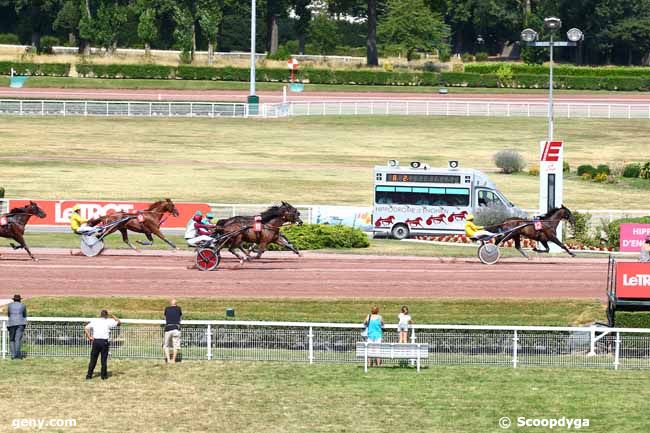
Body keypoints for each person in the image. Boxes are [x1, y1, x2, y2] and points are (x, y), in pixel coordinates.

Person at [84, 310, 121, 380]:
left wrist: (89, 337)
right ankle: (103, 376)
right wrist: (112, 315)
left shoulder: (95, 321)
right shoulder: (108, 321)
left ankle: (89, 375)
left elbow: (86, 328)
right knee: (103, 360)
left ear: (100, 315)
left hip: (96, 341)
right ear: (106, 315)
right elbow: (119, 322)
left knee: (93, 360)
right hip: (104, 342)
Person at [7, 294, 27, 359]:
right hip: (21, 323)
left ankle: (13, 355)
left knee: (12, 339)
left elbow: (9, 314)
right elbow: (25, 315)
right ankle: (18, 355)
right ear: (20, 300)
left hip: (11, 323)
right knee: (18, 339)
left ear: (14, 299)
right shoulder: (23, 305)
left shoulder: (10, 305)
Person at [163, 299, 182, 364]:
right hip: (176, 328)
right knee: (175, 346)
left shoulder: (167, 308)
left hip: (168, 328)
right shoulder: (178, 308)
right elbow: (180, 317)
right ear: (176, 304)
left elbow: (165, 317)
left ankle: (168, 360)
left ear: (170, 304)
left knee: (166, 345)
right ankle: (173, 360)